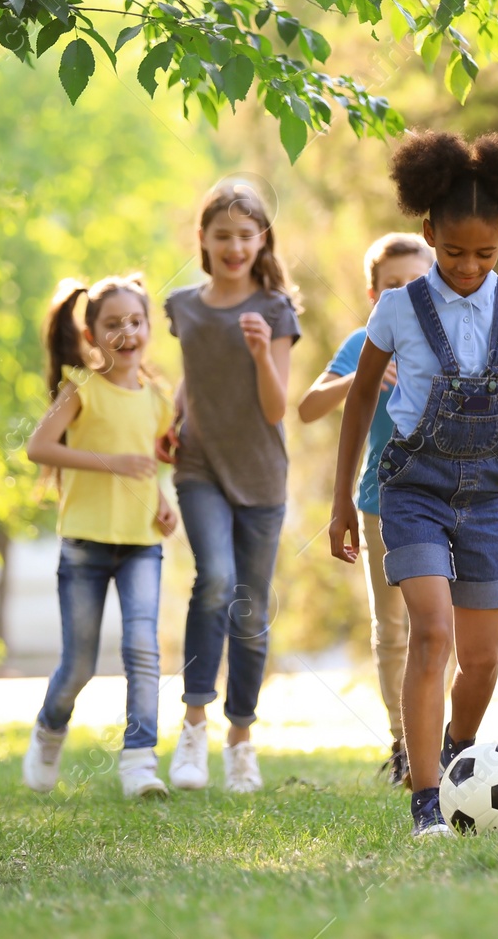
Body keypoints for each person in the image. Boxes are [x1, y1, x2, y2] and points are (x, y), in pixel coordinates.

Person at [328, 128, 498, 837]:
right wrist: (339, 503)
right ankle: (426, 799)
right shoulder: (397, 308)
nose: (468, 267)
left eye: (485, 254)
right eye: (454, 253)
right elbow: (360, 400)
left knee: (481, 662)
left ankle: (457, 755)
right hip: (412, 493)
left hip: (484, 499)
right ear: (429, 232)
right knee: (432, 632)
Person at [160, 178, 300, 794]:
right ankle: (193, 728)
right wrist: (173, 420)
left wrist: (264, 353)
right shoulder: (184, 307)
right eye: (223, 236)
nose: (235, 246)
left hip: (262, 473)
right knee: (213, 579)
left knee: (249, 610)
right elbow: (195, 378)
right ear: (204, 241)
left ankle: (240, 739)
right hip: (199, 466)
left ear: (260, 240)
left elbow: (276, 409)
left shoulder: (275, 310)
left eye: (246, 235)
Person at [21, 274, 178, 799]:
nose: (126, 332)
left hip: (140, 545)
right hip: (84, 544)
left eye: (135, 322)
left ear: (149, 329)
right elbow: (38, 447)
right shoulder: (80, 387)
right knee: (79, 664)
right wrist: (107, 463)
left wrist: (162, 506)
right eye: (113, 324)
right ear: (92, 334)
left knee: (142, 650)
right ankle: (48, 731)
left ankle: (139, 761)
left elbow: (148, 468)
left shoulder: (157, 399)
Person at [298, 233, 434, 788]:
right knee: (394, 627)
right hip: (380, 501)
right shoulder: (364, 342)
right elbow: (309, 408)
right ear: (374, 294)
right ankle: (405, 742)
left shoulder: (453, 336)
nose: (405, 293)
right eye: (392, 286)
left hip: (447, 497)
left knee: (439, 625)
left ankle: (439, 738)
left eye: (416, 283)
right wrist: (366, 375)